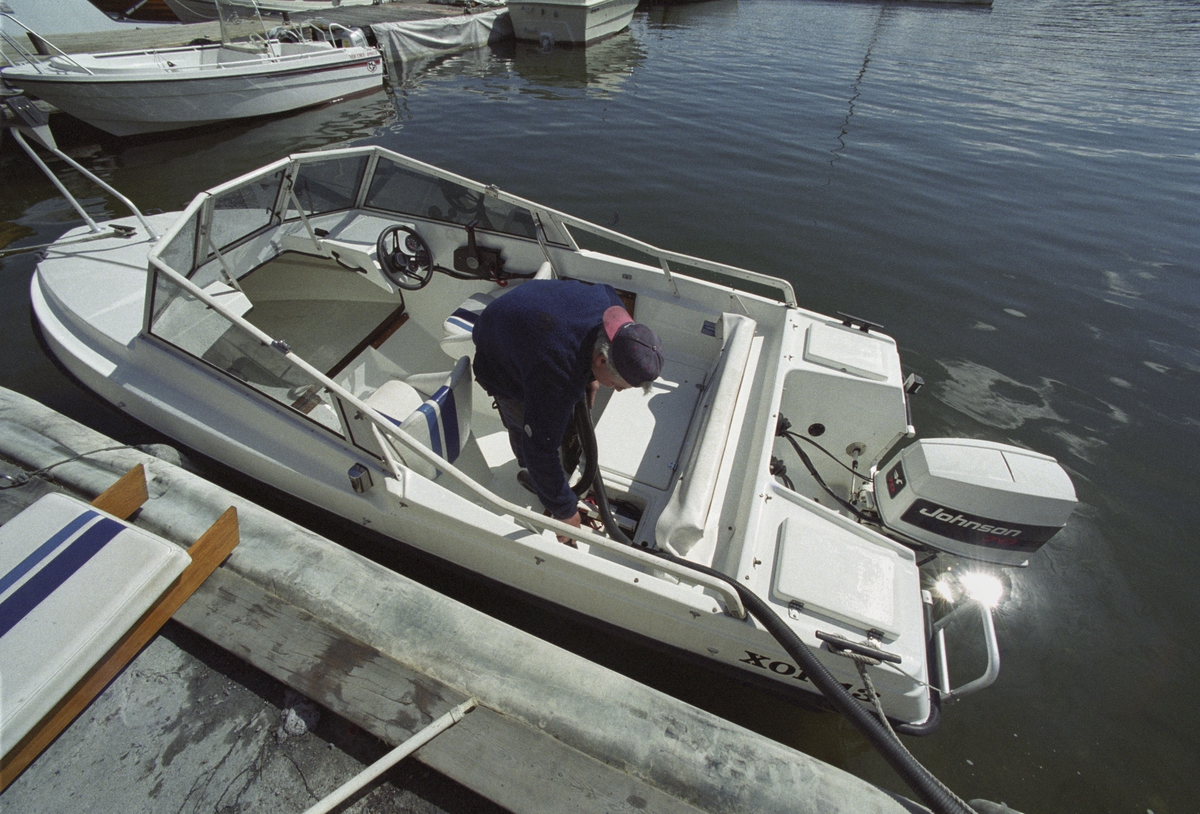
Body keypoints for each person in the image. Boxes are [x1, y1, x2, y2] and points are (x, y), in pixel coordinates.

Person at [472, 279, 664, 541]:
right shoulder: (557, 374)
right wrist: (564, 510)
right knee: (525, 425)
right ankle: (533, 475)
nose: (617, 390)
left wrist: (591, 378)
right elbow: (539, 447)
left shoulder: (614, 311)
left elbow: (586, 343)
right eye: (618, 385)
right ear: (601, 359)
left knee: (560, 411)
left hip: (536, 312)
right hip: (496, 342)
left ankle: (557, 468)